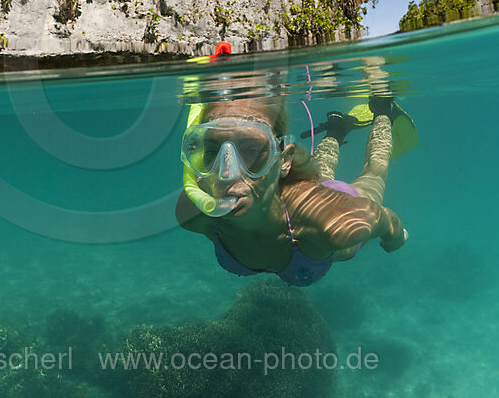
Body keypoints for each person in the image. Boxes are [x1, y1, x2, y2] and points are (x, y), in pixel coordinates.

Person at [176, 95, 410, 287]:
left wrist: (395, 237)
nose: (227, 173)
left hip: (322, 202)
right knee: (321, 172)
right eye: (212, 152)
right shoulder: (194, 214)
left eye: (250, 149)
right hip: (297, 192)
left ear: (284, 160)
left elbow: (384, 218)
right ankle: (336, 131)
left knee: (374, 173)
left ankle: (383, 109)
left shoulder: (333, 223)